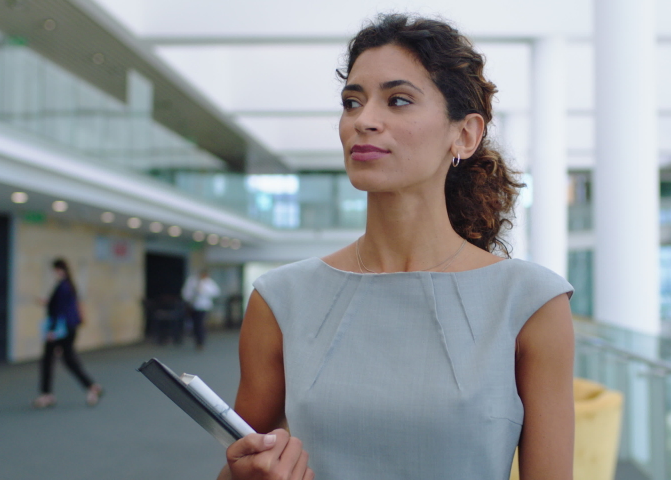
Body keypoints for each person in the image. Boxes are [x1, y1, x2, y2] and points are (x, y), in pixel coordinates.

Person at [218, 14, 575, 480]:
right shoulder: (280, 299)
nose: (364, 121)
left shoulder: (529, 302)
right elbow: (238, 464)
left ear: (464, 134)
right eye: (352, 102)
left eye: (398, 100)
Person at [34, 259, 103, 408]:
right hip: (68, 328)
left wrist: (52, 331)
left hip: (61, 329)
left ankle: (47, 394)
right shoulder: (68, 285)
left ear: (59, 269)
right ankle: (91, 386)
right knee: (68, 359)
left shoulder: (63, 286)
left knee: (48, 360)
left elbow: (59, 310)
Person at [182, 269, 221, 350]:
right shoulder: (192, 281)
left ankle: (200, 341)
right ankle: (197, 339)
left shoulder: (208, 282)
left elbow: (216, 292)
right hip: (193, 306)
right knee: (195, 324)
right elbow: (186, 292)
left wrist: (203, 290)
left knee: (199, 324)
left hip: (203, 306)